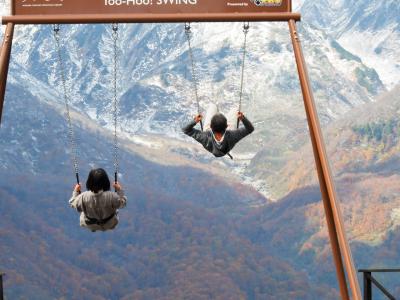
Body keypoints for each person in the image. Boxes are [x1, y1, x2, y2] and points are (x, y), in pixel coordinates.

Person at [182, 103, 254, 158]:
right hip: (226, 138)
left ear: (210, 126)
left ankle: (215, 107)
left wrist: (195, 121)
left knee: (213, 106)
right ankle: (219, 112)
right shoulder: (233, 135)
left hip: (211, 139)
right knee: (235, 110)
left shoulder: (204, 137)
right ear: (227, 126)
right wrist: (242, 118)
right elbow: (250, 129)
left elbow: (186, 130)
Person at [69, 168, 127, 232]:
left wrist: (76, 191)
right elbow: (123, 204)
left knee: (82, 208)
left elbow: (72, 203)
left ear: (89, 182)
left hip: (89, 224)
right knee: (116, 206)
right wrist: (119, 190)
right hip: (109, 224)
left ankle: (93, 227)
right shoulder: (112, 196)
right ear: (106, 182)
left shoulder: (83, 197)